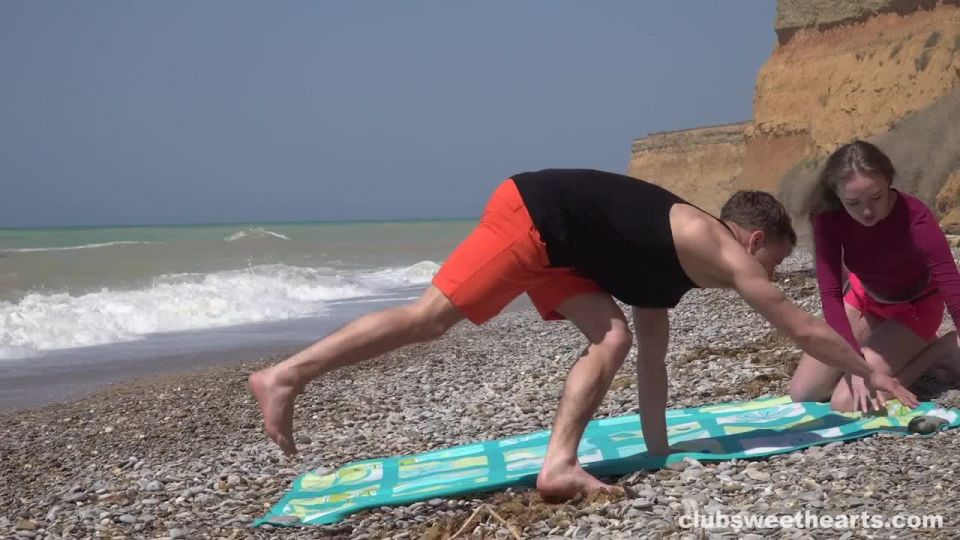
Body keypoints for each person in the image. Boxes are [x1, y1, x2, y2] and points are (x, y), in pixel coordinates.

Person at [250, 168, 916, 500]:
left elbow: (654, 370)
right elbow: (801, 326)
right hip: (532, 218)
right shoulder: (714, 247)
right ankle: (286, 374)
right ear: (753, 239)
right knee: (430, 320)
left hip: (560, 252)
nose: (765, 277)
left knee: (615, 341)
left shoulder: (672, 275)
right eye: (771, 261)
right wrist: (874, 372)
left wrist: (662, 455)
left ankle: (558, 464)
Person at [789, 141, 960, 412]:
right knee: (803, 392)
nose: (867, 211)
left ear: (888, 181)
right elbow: (831, 294)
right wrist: (855, 364)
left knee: (844, 402)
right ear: (837, 195)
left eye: (876, 197)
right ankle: (897, 347)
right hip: (866, 298)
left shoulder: (916, 218)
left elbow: (951, 285)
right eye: (853, 203)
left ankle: (940, 351)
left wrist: (862, 373)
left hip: (915, 307)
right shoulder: (828, 219)